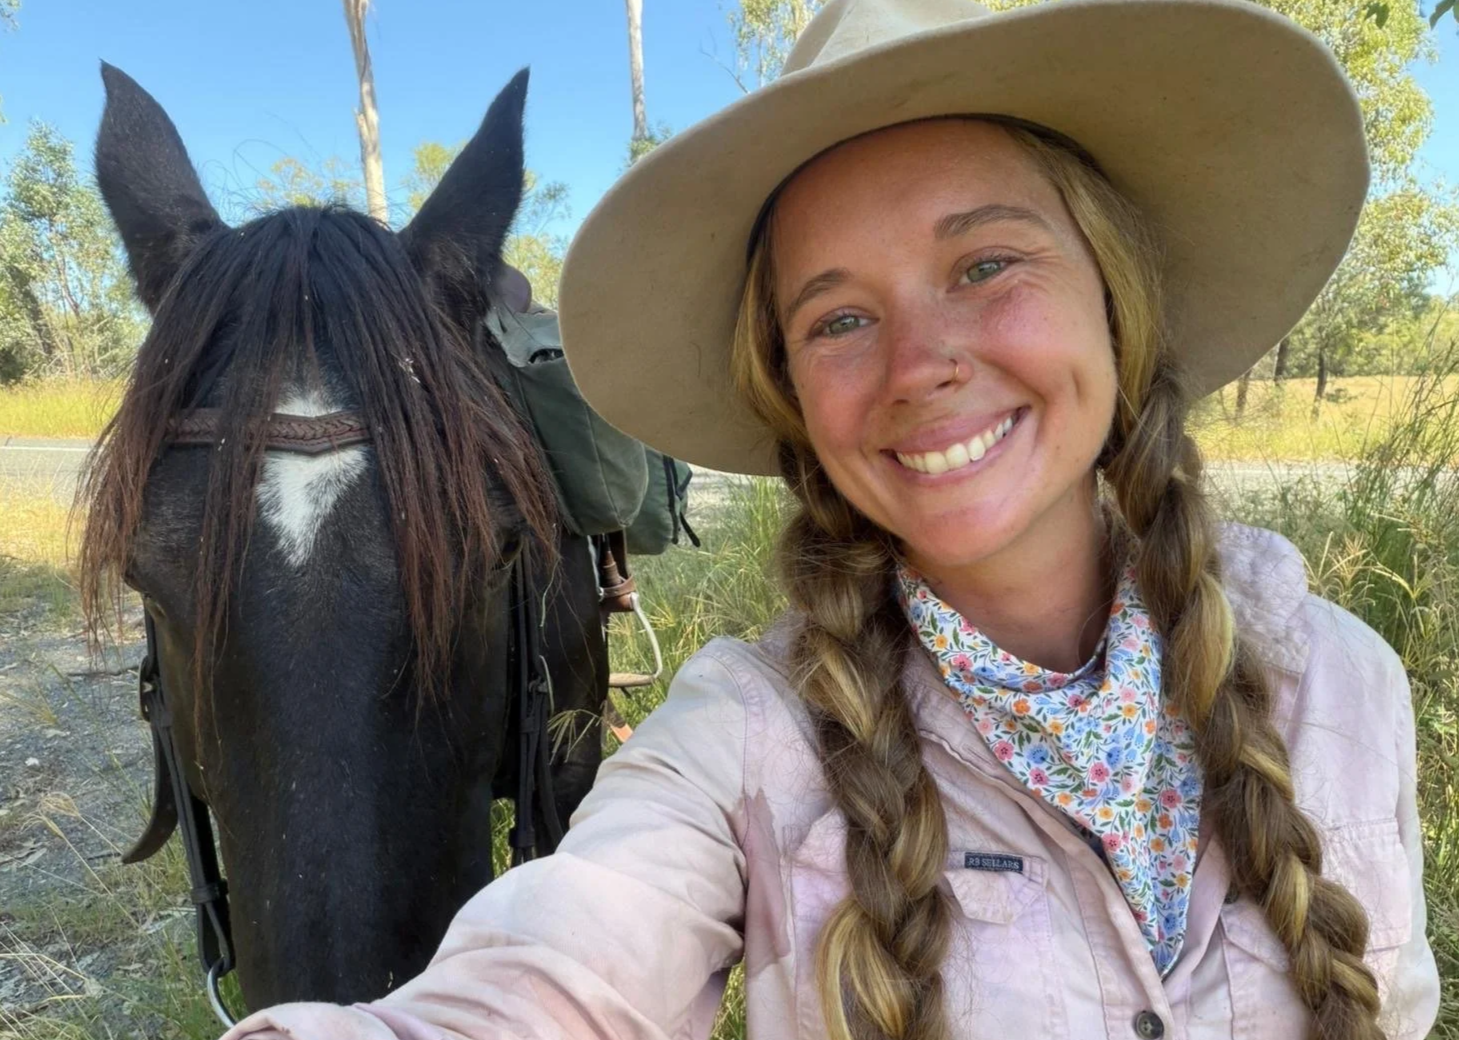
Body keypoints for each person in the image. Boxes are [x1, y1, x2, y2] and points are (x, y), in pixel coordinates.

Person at [221, 0, 1439, 1037]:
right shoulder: (745, 740)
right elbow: (566, 961)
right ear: (796, 397)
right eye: (838, 319)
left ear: (1114, 303)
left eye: (983, 265)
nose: (918, 365)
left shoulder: (1344, 684)